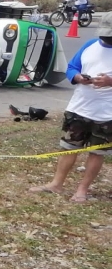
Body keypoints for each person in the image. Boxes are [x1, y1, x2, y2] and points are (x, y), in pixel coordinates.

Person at [29, 13, 112, 202]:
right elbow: (72, 67)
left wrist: (109, 82)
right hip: (79, 108)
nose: (107, 39)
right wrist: (78, 77)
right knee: (68, 147)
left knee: (97, 152)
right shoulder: (90, 45)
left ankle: (82, 190)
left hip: (106, 114)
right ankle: (56, 184)